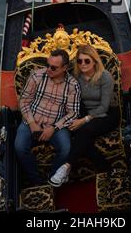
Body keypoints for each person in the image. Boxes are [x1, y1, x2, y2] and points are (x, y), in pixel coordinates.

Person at [49, 44, 118, 187]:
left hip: (107, 114)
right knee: (81, 137)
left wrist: (83, 120)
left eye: (87, 60)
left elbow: (104, 107)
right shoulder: (76, 77)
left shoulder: (105, 77)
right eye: (80, 61)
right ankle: (108, 170)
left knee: (84, 130)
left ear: (94, 61)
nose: (83, 64)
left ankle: (66, 167)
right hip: (85, 112)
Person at [14, 49, 81, 186]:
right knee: (19, 147)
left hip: (56, 124)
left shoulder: (73, 85)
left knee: (66, 149)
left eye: (54, 67)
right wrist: (32, 123)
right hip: (32, 119)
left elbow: (73, 113)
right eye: (47, 65)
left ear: (65, 68)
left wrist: (54, 128)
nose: (48, 69)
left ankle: (52, 179)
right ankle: (36, 181)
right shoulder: (36, 76)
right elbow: (24, 101)